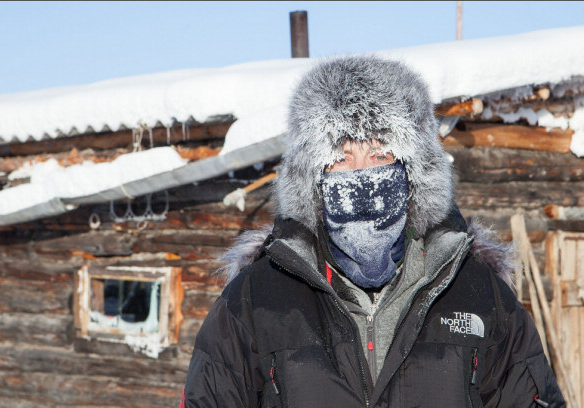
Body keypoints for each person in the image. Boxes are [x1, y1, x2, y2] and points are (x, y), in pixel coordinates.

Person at [182, 56, 565, 407]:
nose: (362, 176)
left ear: (414, 173)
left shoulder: (479, 294)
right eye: (341, 158)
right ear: (312, 179)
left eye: (380, 155)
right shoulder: (255, 299)